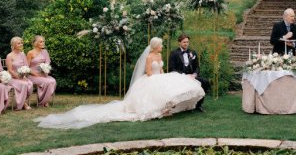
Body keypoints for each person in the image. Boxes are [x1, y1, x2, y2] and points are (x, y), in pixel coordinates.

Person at [36, 37, 205, 129]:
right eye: (160, 45)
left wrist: (163, 75)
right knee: (153, 93)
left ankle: (167, 109)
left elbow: (160, 70)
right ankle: (158, 110)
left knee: (171, 87)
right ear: (155, 47)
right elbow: (148, 72)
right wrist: (156, 77)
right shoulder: (149, 57)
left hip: (158, 76)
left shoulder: (160, 56)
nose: (162, 47)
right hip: (150, 78)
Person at [168, 33, 210, 112]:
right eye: (184, 42)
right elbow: (171, 68)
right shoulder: (174, 53)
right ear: (179, 42)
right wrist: (184, 75)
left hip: (192, 76)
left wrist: (194, 74)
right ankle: (186, 106)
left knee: (205, 82)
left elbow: (197, 66)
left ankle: (198, 105)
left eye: (187, 42)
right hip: (180, 77)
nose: (186, 44)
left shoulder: (192, 52)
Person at [26, 35, 56, 107]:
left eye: (43, 41)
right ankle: (43, 102)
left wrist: (45, 68)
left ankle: (44, 100)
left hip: (43, 74)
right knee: (47, 82)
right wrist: (35, 73)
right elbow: (26, 67)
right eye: (41, 42)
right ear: (36, 43)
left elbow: (48, 62)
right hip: (33, 75)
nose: (43, 43)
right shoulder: (30, 53)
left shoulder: (45, 51)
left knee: (53, 81)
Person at [5, 37, 33, 110]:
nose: (21, 44)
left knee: (30, 84)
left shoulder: (23, 54)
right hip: (12, 78)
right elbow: (10, 70)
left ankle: (22, 101)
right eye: (19, 43)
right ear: (13, 45)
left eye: (21, 43)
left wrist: (24, 76)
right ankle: (24, 104)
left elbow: (26, 66)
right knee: (23, 84)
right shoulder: (9, 56)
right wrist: (18, 78)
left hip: (22, 76)